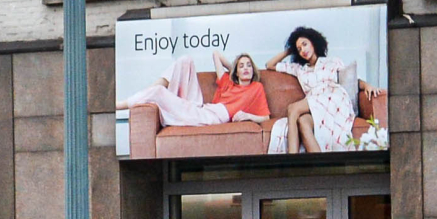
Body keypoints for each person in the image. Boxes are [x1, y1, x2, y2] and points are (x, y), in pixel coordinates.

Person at [121, 52, 270, 130]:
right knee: (186, 60)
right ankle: (158, 92)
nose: (246, 68)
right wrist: (235, 71)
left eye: (249, 65)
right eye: (242, 66)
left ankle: (122, 104)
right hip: (201, 107)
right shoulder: (228, 83)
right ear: (236, 71)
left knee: (159, 91)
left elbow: (266, 117)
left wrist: (248, 116)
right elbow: (216, 54)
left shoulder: (256, 88)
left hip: (213, 117)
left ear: (253, 69)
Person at [269, 26, 357, 153]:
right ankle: (320, 165)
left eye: (305, 44)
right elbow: (270, 65)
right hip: (314, 101)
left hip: (333, 97)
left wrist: (367, 86)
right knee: (303, 121)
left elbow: (351, 79)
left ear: (313, 42)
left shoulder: (332, 61)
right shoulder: (299, 69)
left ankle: (291, 160)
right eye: (299, 49)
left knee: (292, 109)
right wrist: (289, 50)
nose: (303, 50)